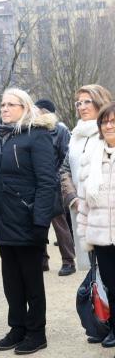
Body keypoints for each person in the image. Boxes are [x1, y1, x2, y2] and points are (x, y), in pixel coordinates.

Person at [0, 88, 56, 355]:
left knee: (31, 279)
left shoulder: (38, 136)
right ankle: (17, 327)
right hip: (1, 219)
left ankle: (37, 332)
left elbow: (47, 182)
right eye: (2, 104)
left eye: (11, 104)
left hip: (26, 219)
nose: (4, 109)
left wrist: (40, 221)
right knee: (11, 279)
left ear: (25, 107)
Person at [60, 85, 112, 271]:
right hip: (81, 210)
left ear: (100, 102)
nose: (82, 107)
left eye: (87, 102)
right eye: (78, 103)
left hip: (106, 212)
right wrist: (73, 198)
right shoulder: (75, 135)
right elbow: (64, 170)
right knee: (94, 270)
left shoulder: (108, 131)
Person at [77, 102, 115, 349]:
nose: (109, 125)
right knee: (110, 285)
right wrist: (84, 235)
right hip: (101, 235)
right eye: (105, 122)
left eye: (113, 121)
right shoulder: (92, 156)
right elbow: (83, 201)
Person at [35, 99, 76, 276]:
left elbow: (66, 157)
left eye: (37, 110)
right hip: (35, 183)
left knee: (59, 223)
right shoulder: (33, 129)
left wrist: (55, 177)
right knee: (38, 222)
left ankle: (68, 261)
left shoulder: (60, 130)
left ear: (44, 112)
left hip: (53, 183)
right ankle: (42, 260)